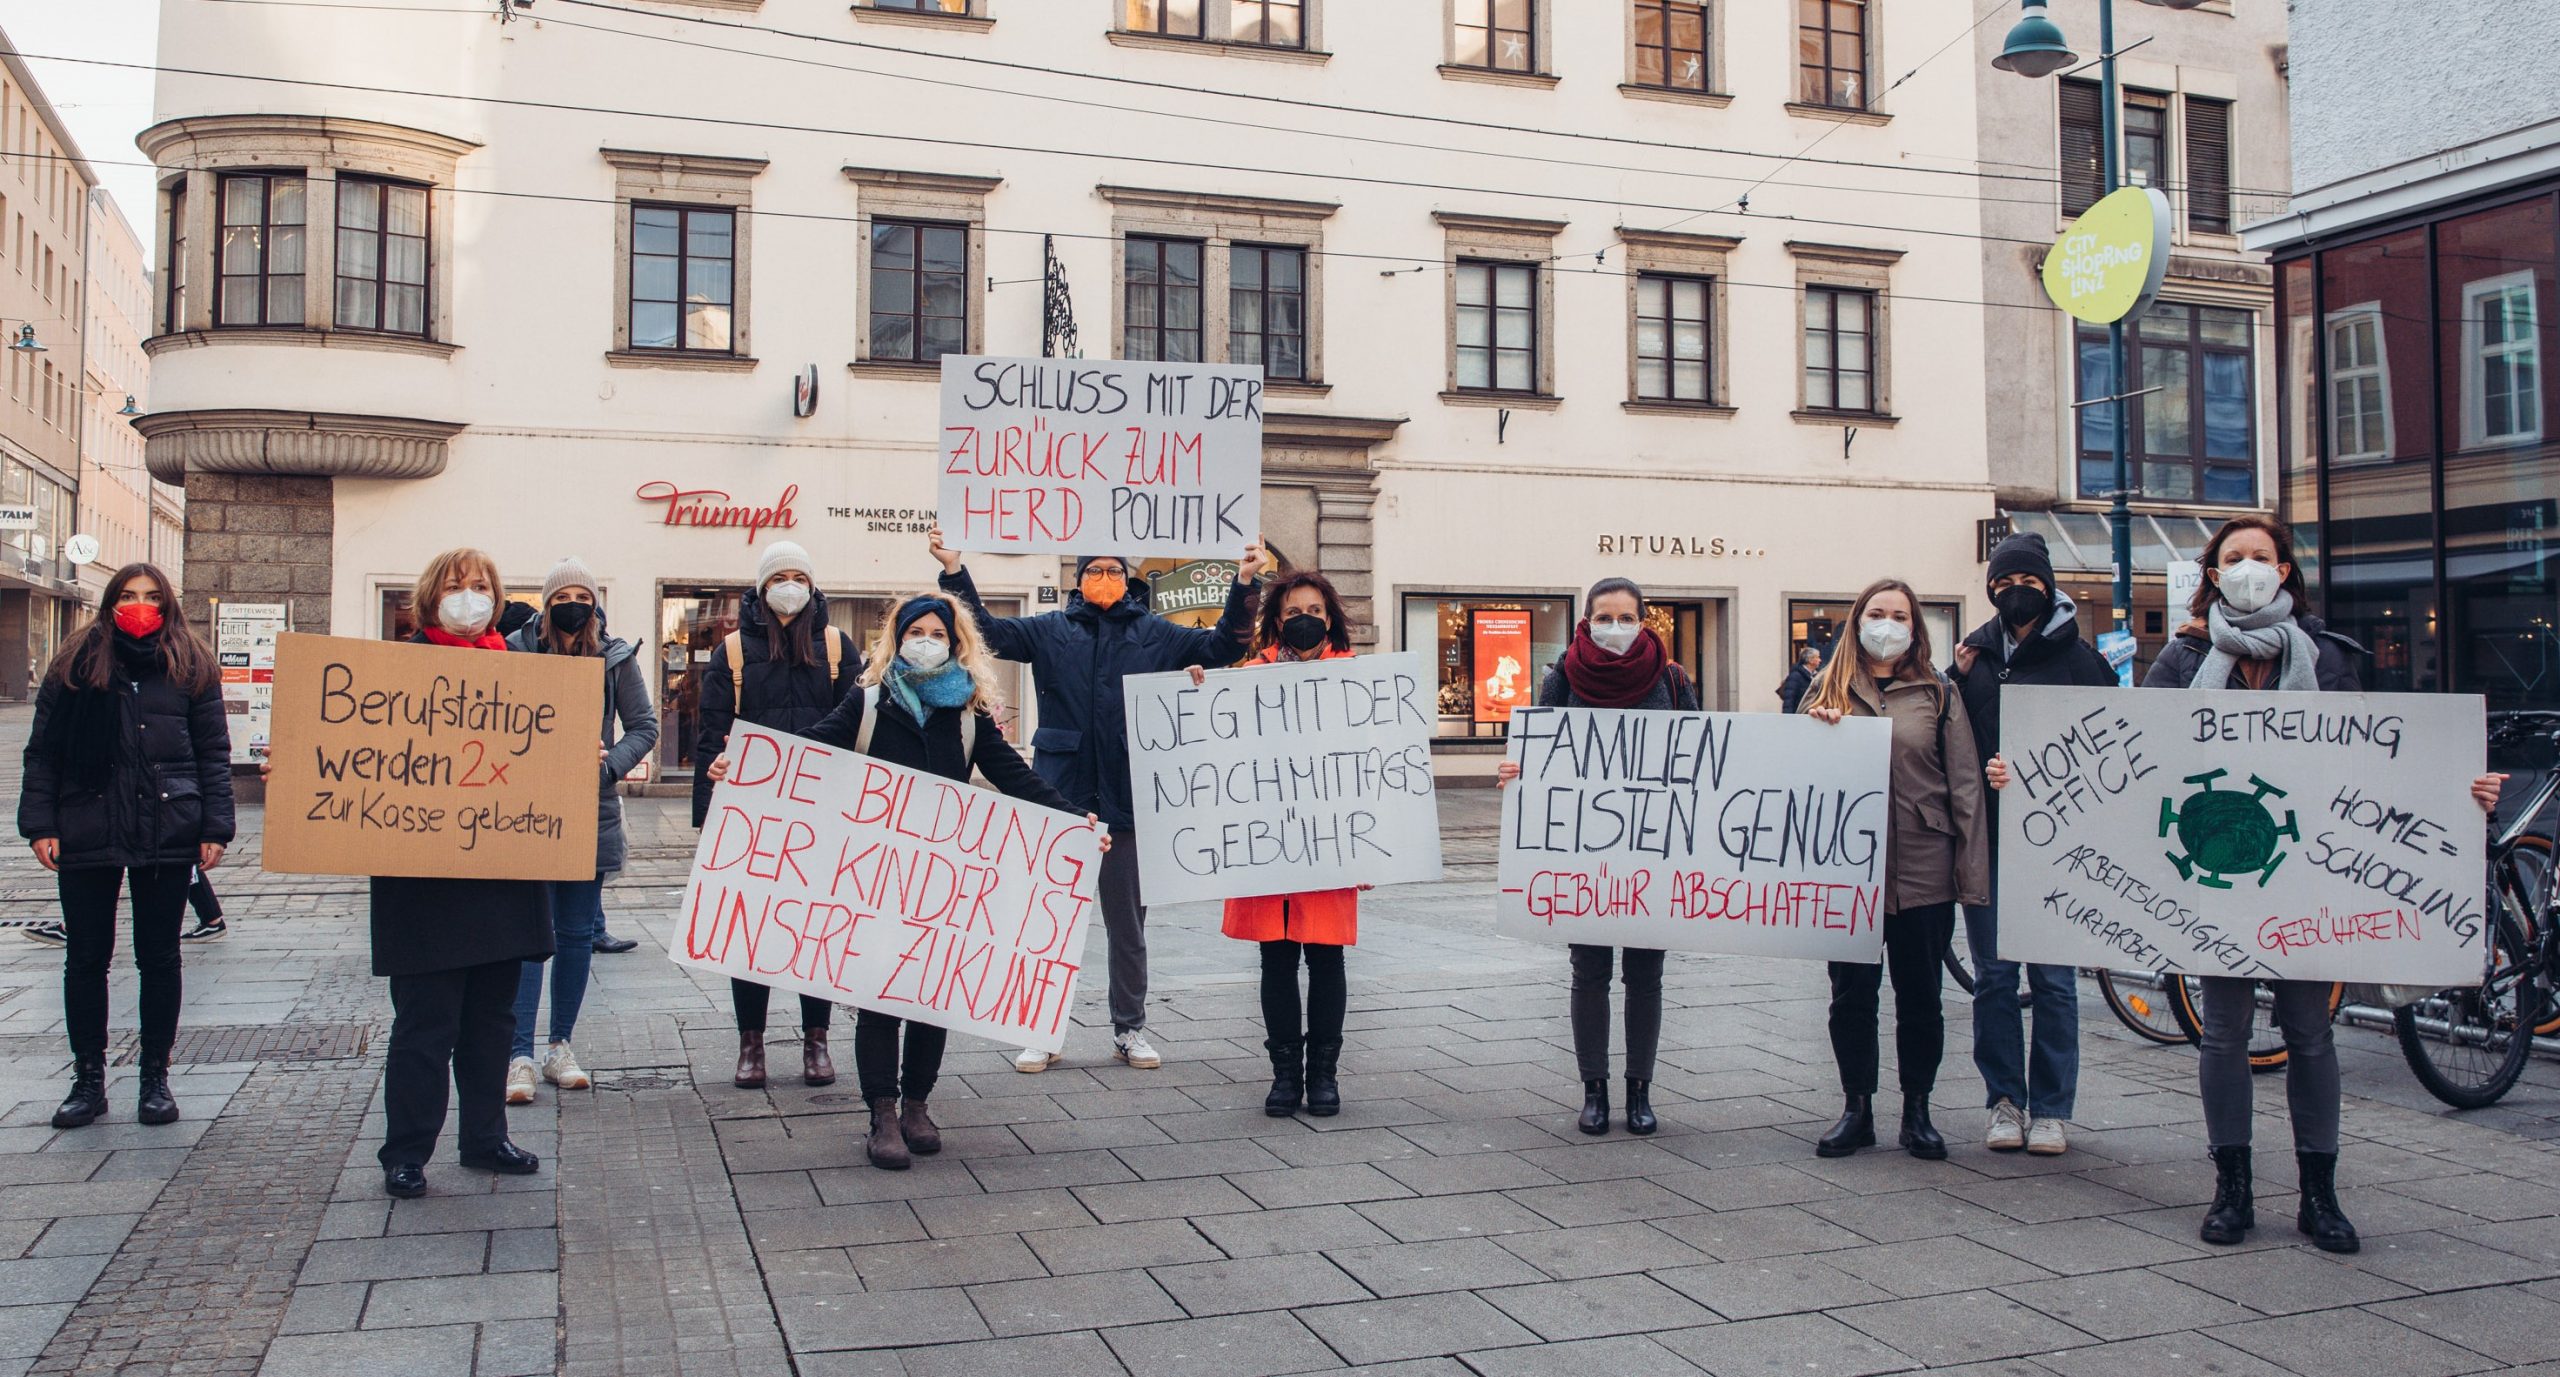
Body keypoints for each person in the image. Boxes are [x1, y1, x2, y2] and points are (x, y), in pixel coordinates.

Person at [1994, 515, 2500, 1252]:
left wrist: (2463, 790)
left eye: (2261, 556)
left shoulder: (2326, 655)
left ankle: (2319, 1194)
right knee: (2224, 1032)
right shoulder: (2184, 658)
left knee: (2310, 1033)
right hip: (2215, 874)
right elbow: (2128, 754)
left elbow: (2378, 762)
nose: (2249, 567)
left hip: (2306, 878)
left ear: (2284, 570)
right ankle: (2232, 1188)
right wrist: (2026, 776)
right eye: (2234, 557)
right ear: (2214, 573)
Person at [705, 591, 1103, 1169]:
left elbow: (1015, 777)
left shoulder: (968, 712)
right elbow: (810, 747)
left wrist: (1074, 822)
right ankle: (883, 1113)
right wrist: (743, 764)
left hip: (939, 881)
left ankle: (918, 1104)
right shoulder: (867, 701)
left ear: (956, 643)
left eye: (938, 634)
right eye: (916, 632)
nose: (926, 642)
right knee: (880, 998)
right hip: (876, 877)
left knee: (931, 1000)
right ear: (897, 639)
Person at [929, 525, 1267, 1072]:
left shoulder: (1155, 633)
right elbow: (987, 633)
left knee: (1127, 926)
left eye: (1113, 570)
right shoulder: (1050, 630)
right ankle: (1038, 1030)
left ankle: (1129, 1028)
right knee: (1047, 922)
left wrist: (1245, 583)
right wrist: (953, 570)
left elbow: (1223, 647)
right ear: (1079, 578)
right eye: (1093, 570)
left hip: (1128, 800)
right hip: (1059, 797)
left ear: (1127, 579)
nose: (1103, 578)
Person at [18, 564, 233, 1130]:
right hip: (87, 820)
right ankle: (88, 1080)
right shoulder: (76, 662)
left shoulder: (190, 664)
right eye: (130, 596)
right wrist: (40, 823)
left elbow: (213, 752)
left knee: (159, 957)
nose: (141, 606)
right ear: (111, 602)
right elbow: (43, 752)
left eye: (152, 597)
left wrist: (214, 827)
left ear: (168, 604)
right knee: (87, 956)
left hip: (167, 823)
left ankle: (154, 1078)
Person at [371, 549, 552, 1197]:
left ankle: (484, 1138)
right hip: (425, 883)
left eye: (480, 586)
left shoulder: (523, 676)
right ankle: (406, 1152)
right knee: (425, 1025)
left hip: (500, 875)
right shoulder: (397, 672)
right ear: (430, 597)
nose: (469, 596)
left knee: (491, 1023)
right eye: (455, 585)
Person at [1494, 577, 1698, 1136]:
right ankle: (1594, 1091)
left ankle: (1640, 1091)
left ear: (1643, 621)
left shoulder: (1672, 679)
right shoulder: (1562, 677)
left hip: (1651, 853)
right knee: (1589, 971)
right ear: (1586, 621)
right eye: (1605, 617)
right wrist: (1515, 771)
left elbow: (1698, 761)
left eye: (1626, 618)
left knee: (1646, 973)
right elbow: (1539, 754)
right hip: (1584, 857)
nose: (1616, 627)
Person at [1800, 578, 1989, 1160]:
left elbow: (1965, 784)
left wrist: (1971, 875)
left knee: (1921, 996)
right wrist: (1816, 732)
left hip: (1924, 867)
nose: (1888, 624)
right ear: (1857, 621)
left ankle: (1917, 1111)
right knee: (1850, 996)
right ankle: (1856, 1109)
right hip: (1848, 873)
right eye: (1877, 613)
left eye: (1899, 615)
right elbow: (1792, 778)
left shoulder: (1939, 692)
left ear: (1915, 626)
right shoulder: (1825, 687)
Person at [1948, 533, 2115, 1157]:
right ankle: (2004, 1101)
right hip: (1989, 843)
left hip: (2058, 851)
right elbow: (1948, 739)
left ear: (2048, 587)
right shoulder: (1975, 657)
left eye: (2028, 581)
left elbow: (2111, 753)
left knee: (2053, 982)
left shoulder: (2084, 663)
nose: (2015, 592)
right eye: (2003, 582)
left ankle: (2050, 1109)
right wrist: (1955, 676)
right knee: (1993, 979)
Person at [1189, 572, 1368, 1118]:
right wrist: (1196, 693)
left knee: (1327, 957)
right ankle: (1285, 1075)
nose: (1303, 619)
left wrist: (1375, 841)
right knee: (1276, 958)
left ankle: (1324, 1075)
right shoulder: (1249, 676)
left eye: (1314, 610)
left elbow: (1375, 766)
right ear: (1277, 620)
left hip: (1330, 840)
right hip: (1267, 840)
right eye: (1292, 612)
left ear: (1330, 618)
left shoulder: (1359, 680)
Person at [693, 540, 862, 1089]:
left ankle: (817, 1040)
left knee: (816, 927)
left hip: (821, 807)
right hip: (754, 812)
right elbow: (711, 732)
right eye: (779, 578)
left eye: (799, 577)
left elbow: (858, 726)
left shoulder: (836, 646)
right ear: (762, 587)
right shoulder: (733, 651)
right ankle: (752, 1043)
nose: (790, 587)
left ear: (813, 586)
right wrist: (709, 811)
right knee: (750, 929)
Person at [502, 558, 659, 1104]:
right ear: (546, 604)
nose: (574, 605)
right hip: (524, 810)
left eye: (583, 597)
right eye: (562, 596)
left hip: (589, 810)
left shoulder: (615, 658)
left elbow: (644, 726)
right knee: (528, 936)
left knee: (574, 935)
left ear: (596, 605)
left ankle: (558, 1046)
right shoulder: (514, 652)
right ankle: (518, 1054)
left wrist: (608, 767)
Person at [1778, 645, 1822, 715]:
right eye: (1818, 657)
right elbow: (1789, 700)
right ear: (1810, 660)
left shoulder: (1817, 677)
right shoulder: (1795, 676)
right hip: (1798, 716)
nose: (1820, 660)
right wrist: (1787, 718)